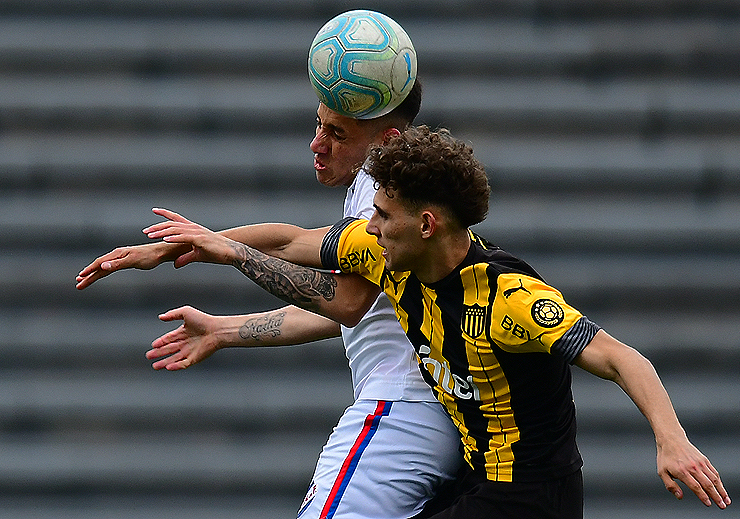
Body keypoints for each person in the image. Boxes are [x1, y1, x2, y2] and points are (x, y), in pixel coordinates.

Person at [138, 125, 731, 518]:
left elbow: (622, 357)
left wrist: (671, 441)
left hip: (530, 500)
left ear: (426, 225)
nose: (367, 226)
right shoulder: (386, 251)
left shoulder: (509, 298)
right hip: (477, 484)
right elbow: (292, 239)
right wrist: (199, 242)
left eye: (382, 214)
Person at [77, 76, 463, 518]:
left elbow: (349, 302)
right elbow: (302, 251)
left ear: (386, 140)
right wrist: (223, 324)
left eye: (337, 133)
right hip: (434, 416)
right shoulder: (398, 195)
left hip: (402, 410)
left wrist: (224, 251)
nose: (317, 145)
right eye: (317, 125)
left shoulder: (379, 189)